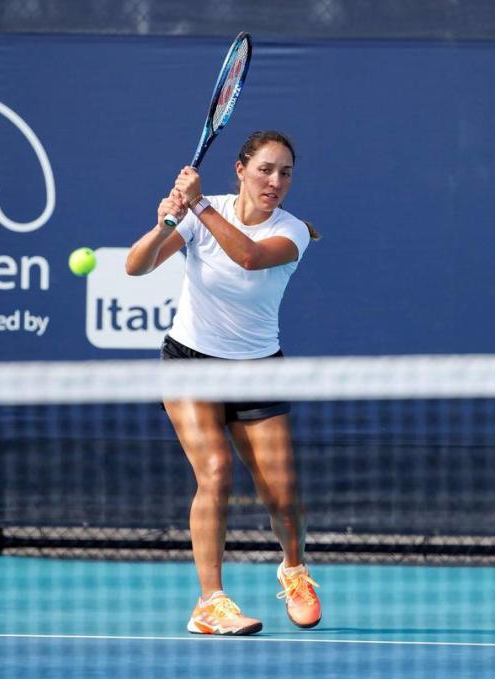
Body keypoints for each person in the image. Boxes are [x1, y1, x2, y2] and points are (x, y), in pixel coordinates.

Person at [125, 130, 321, 635]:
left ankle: (294, 569)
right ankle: (210, 602)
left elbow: (250, 258)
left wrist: (199, 209)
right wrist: (168, 222)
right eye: (265, 170)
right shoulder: (200, 212)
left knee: (281, 493)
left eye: (285, 173)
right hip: (189, 361)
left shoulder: (292, 231)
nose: (274, 181)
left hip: (256, 367)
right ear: (240, 169)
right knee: (214, 471)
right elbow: (135, 266)